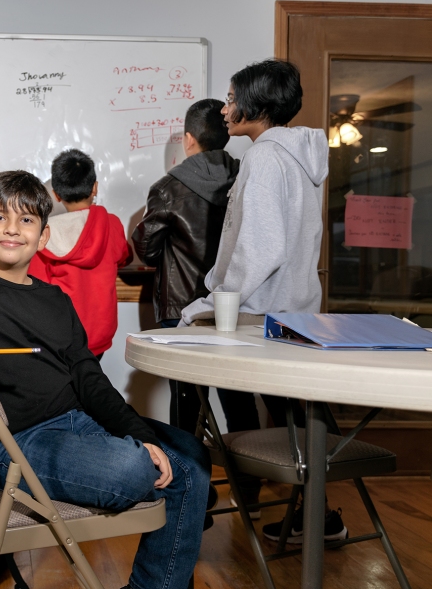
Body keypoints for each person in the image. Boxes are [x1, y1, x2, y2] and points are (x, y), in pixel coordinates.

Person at [0, 171, 212, 589]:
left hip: (74, 423)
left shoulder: (55, 300)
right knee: (135, 466)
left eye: (26, 220)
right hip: (6, 445)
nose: (13, 229)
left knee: (192, 460)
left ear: (43, 235)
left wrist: (139, 433)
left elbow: (89, 379)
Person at [179, 59, 346, 542]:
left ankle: (198, 502)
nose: (225, 110)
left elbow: (260, 247)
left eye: (231, 99)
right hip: (293, 309)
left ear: (256, 104)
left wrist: (211, 301)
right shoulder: (297, 154)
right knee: (300, 416)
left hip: (264, 315)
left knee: (294, 418)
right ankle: (322, 516)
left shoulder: (266, 157)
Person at [132, 99, 239, 433]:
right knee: (238, 395)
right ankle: (249, 480)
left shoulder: (167, 189)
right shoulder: (245, 177)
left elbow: (148, 250)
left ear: (189, 139)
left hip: (181, 307)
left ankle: (194, 480)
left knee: (187, 397)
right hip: (233, 305)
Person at [28, 149, 132, 359]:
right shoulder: (112, 224)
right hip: (99, 335)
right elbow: (123, 257)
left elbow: (36, 287)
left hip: (60, 337)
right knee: (90, 386)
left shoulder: (43, 234)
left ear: (56, 194)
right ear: (95, 187)